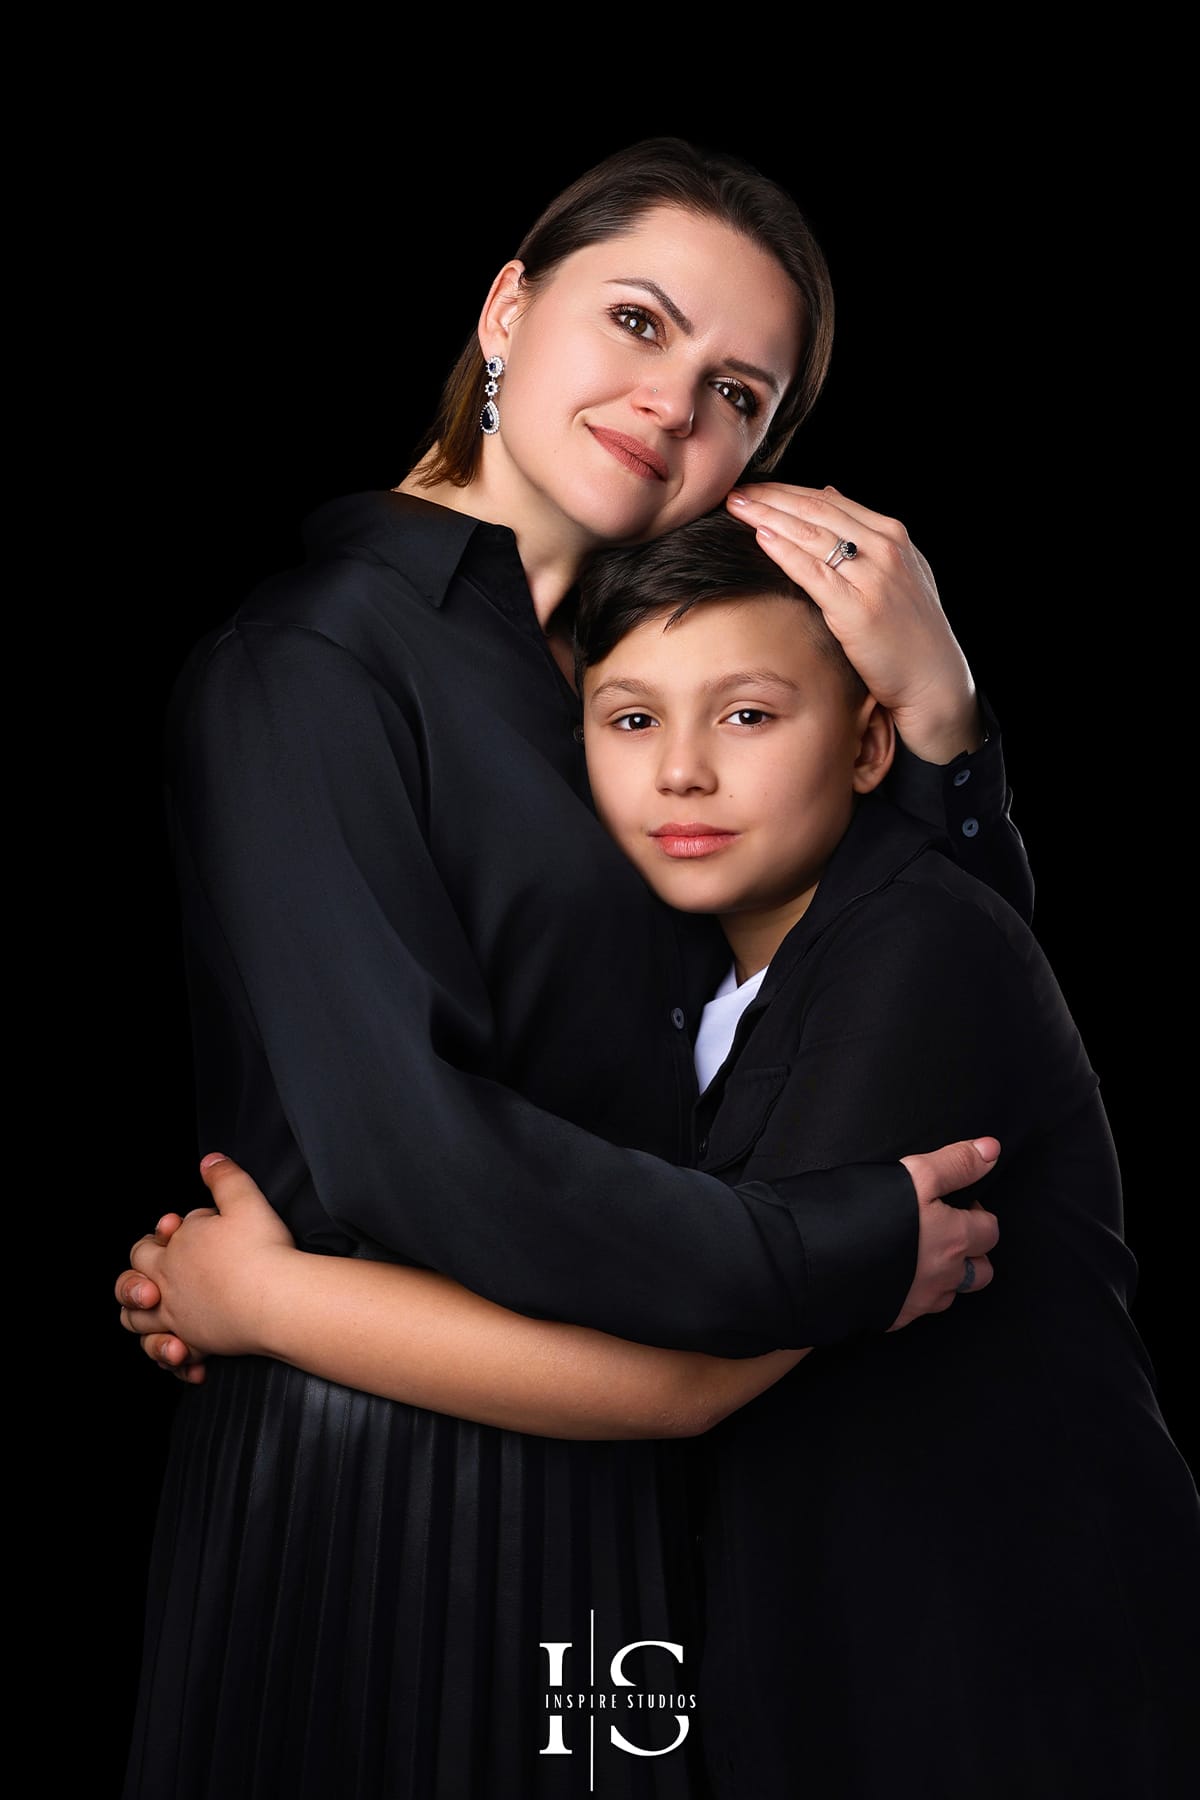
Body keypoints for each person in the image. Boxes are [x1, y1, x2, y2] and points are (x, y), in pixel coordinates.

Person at [116, 136, 1023, 1800]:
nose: (674, 405)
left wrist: (944, 724)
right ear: (506, 312)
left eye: (738, 393)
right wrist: (836, 1250)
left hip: (651, 1495)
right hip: (383, 1495)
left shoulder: (640, 690)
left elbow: (906, 998)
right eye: (639, 321)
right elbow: (412, 1154)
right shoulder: (313, 661)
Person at [122, 509, 1200, 1798]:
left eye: (747, 715)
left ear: (869, 743)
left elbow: (692, 1373)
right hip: (783, 1642)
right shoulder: (683, 983)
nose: (682, 772)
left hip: (987, 1656)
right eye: (631, 719)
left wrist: (259, 1300)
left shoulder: (919, 948)